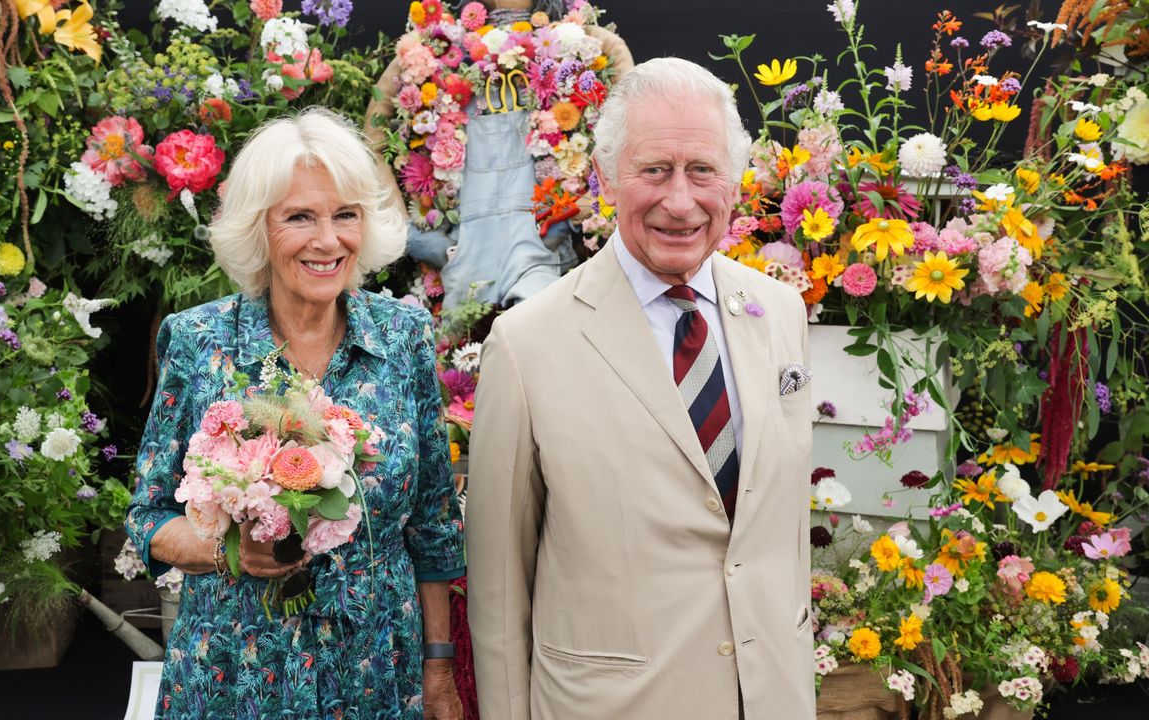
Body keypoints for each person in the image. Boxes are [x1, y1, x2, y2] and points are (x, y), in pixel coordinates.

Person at [466, 58, 815, 719]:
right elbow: (498, 589)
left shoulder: (781, 313)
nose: (680, 201)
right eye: (654, 170)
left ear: (736, 184)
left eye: (702, 170)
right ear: (606, 179)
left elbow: (774, 535)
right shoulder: (526, 345)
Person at [125, 108, 466, 720]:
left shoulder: (404, 337)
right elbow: (149, 518)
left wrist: (439, 670)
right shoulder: (198, 341)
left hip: (376, 675)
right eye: (300, 217)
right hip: (235, 674)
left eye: (345, 215)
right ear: (260, 228)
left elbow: (433, 524)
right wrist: (226, 549)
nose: (327, 240)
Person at [364, 0, 633, 306]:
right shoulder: (432, 49)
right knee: (462, 344)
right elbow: (372, 139)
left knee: (539, 339)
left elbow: (633, 135)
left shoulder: (586, 44)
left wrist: (585, 211)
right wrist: (408, 233)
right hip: (463, 253)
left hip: (545, 249)